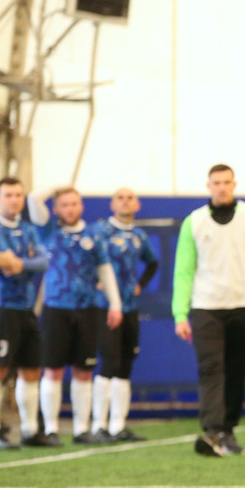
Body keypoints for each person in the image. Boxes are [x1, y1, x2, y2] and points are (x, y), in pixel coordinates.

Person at [172, 164, 245, 457]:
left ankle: (228, 430)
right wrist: (180, 314)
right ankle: (213, 431)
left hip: (243, 305)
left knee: (235, 371)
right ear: (209, 186)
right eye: (216, 182)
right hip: (205, 307)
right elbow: (183, 271)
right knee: (210, 368)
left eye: (226, 182)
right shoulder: (194, 222)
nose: (221, 187)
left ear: (234, 184)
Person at [28, 187, 123, 445]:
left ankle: (82, 429)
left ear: (81, 206)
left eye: (74, 204)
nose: (70, 209)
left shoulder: (93, 235)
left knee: (84, 370)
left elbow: (105, 270)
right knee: (53, 370)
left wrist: (115, 304)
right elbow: (33, 199)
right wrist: (57, 187)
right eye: (64, 204)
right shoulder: (48, 230)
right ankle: (51, 429)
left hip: (87, 309)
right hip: (55, 309)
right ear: (56, 209)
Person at [91, 188, 159, 442]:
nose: (125, 202)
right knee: (109, 361)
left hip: (130, 307)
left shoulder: (138, 235)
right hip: (105, 306)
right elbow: (86, 258)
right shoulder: (101, 231)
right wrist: (95, 280)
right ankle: (98, 425)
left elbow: (152, 262)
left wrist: (140, 284)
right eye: (120, 198)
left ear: (137, 205)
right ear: (112, 204)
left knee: (125, 363)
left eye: (130, 198)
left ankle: (118, 425)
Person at [0, 177, 50, 449]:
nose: (14, 200)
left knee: (31, 369)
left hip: (27, 308)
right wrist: (9, 260)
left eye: (18, 195)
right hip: (1, 306)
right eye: (8, 195)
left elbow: (44, 261)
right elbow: (3, 259)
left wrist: (19, 263)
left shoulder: (28, 229)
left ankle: (30, 430)